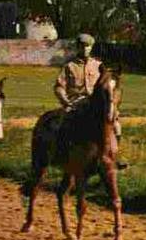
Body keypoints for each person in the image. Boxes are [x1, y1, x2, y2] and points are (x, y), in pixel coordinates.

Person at [54, 33, 127, 169]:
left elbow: (109, 84)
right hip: (76, 102)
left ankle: (115, 155)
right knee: (64, 121)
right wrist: (65, 102)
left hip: (97, 103)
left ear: (92, 47)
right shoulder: (69, 66)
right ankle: (62, 154)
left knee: (115, 124)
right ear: (78, 47)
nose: (85, 49)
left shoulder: (99, 66)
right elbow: (59, 87)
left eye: (88, 46)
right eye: (82, 46)